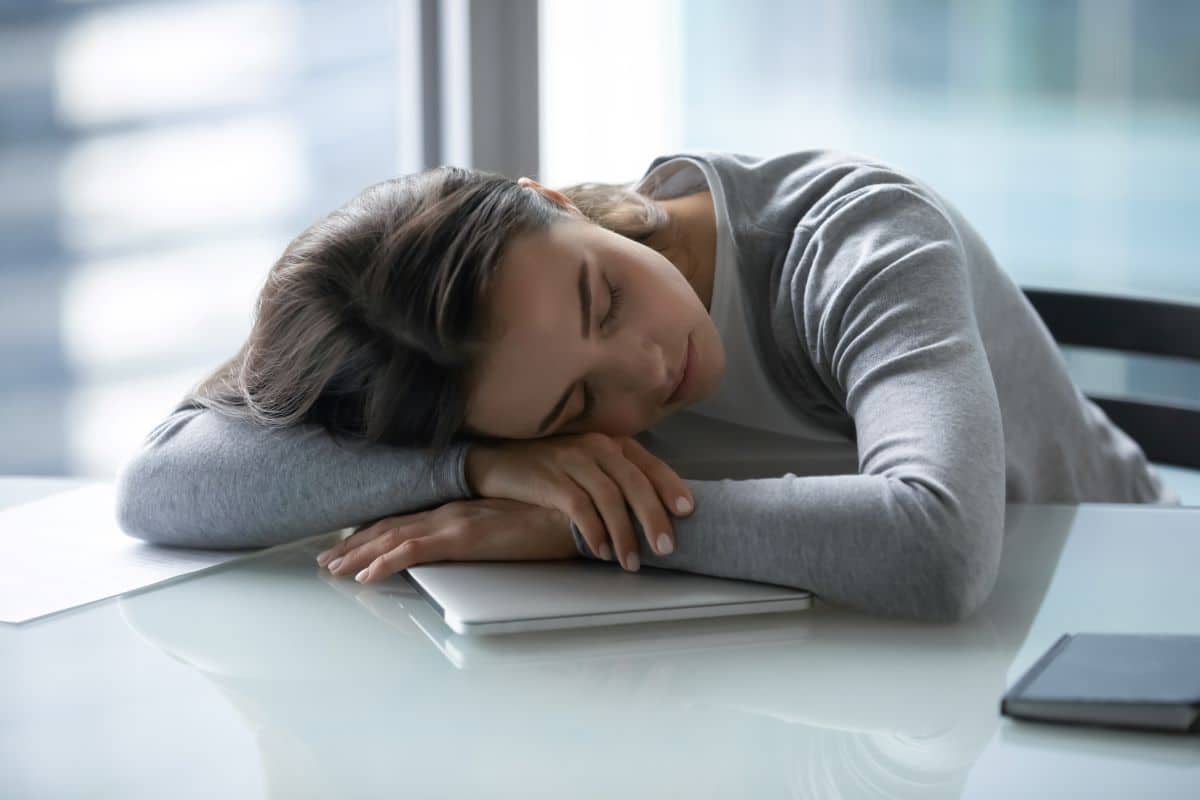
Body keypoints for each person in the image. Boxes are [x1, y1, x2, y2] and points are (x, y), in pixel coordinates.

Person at [115, 148, 1179, 622]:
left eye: (603, 299)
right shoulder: (477, 391)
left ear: (547, 195)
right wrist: (478, 463)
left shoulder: (850, 237)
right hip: (849, 672)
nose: (643, 369)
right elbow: (163, 484)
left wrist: (579, 527)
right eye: (571, 412)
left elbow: (936, 544)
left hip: (1116, 612)